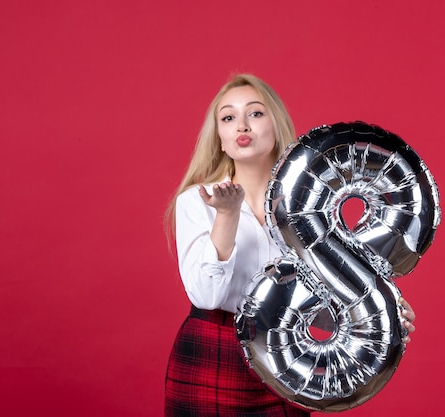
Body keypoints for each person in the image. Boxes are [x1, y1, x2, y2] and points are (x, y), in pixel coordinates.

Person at [163, 74, 416, 416]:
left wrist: (377, 315)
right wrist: (227, 215)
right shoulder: (196, 201)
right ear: (220, 139)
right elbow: (206, 297)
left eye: (255, 113)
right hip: (213, 355)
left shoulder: (311, 207)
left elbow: (317, 297)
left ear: (275, 125)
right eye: (228, 117)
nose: (242, 125)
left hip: (287, 356)